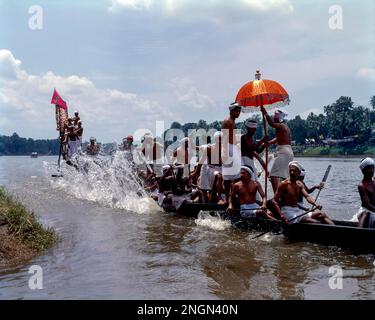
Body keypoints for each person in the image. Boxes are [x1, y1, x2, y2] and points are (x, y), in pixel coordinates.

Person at [260, 106, 294, 193]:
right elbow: (278, 138)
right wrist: (269, 143)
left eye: (275, 119)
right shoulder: (284, 127)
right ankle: (284, 195)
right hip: (287, 152)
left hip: (284, 152)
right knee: (283, 176)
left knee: (273, 174)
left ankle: (277, 196)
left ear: (279, 119)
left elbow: (271, 124)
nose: (273, 120)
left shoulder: (281, 126)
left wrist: (265, 113)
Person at [221, 102, 242, 204]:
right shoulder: (227, 121)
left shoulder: (234, 122)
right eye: (236, 111)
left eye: (239, 111)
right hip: (228, 148)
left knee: (237, 174)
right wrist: (224, 152)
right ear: (231, 111)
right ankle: (226, 198)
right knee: (227, 175)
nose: (238, 113)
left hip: (234, 148)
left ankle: (234, 196)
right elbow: (224, 138)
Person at [195, 131, 224, 204]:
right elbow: (201, 161)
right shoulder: (209, 148)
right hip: (211, 168)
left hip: (221, 168)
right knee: (219, 177)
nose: (220, 141)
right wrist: (196, 172)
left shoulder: (225, 148)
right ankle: (219, 198)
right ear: (215, 139)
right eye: (218, 139)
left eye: (221, 139)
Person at [357, 158, 375, 228]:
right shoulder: (362, 185)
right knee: (364, 215)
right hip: (367, 210)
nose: (372, 170)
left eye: (373, 168)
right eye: (369, 168)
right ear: (363, 171)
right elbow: (367, 205)